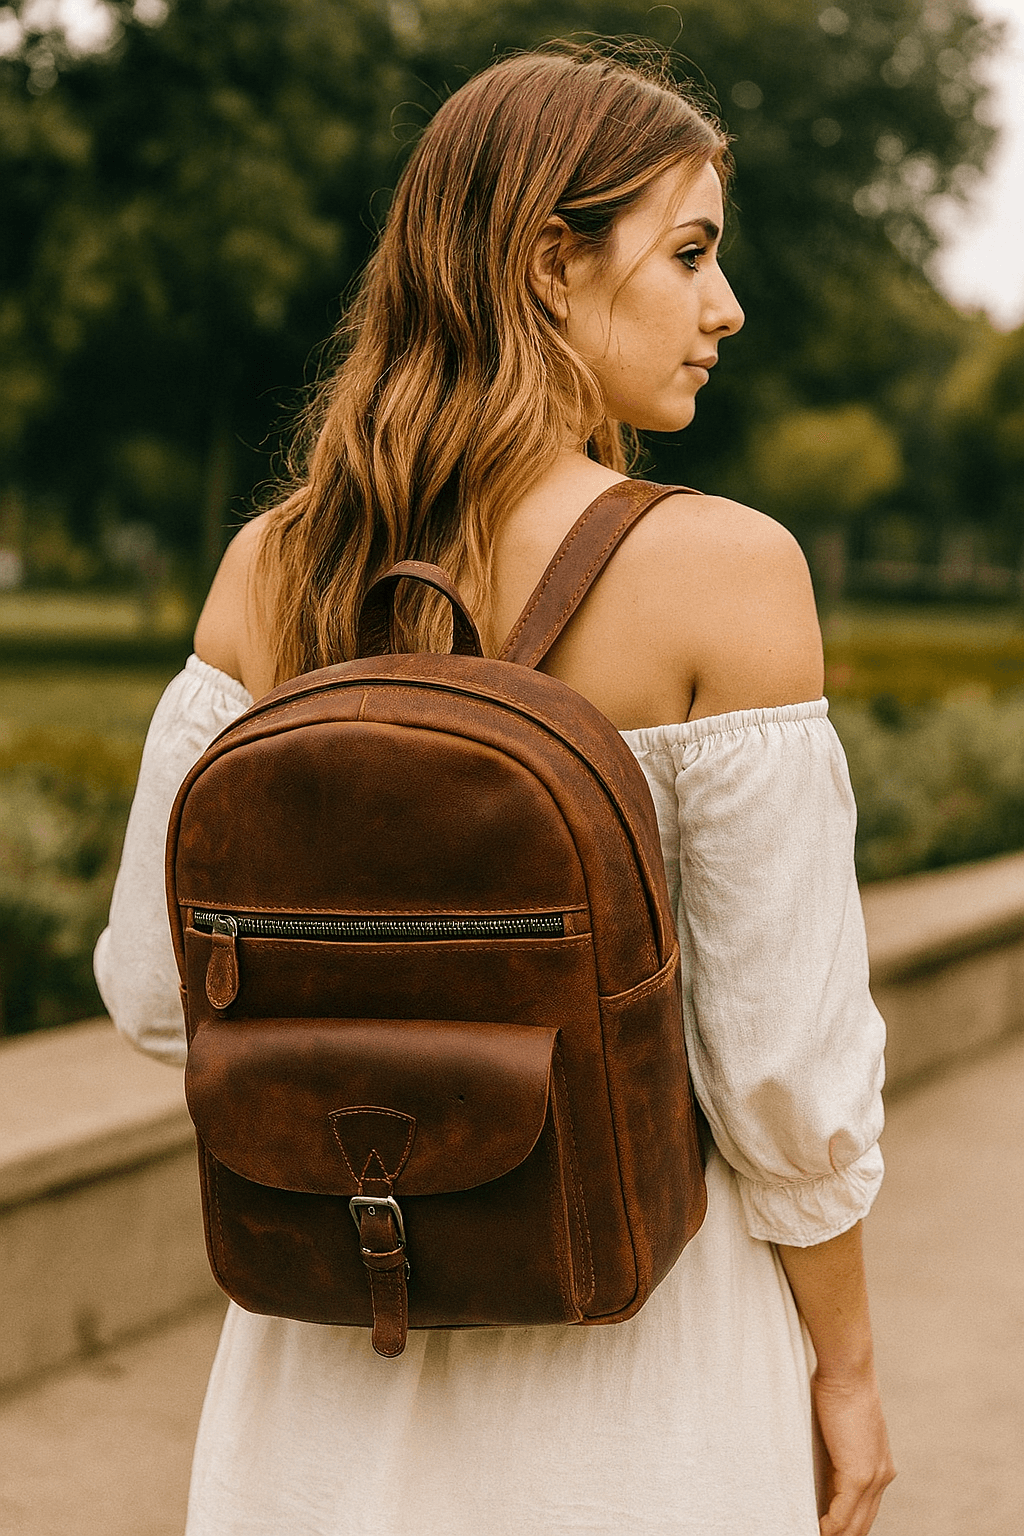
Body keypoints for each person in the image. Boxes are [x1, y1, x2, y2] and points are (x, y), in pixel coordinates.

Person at [95, 44, 895, 1536]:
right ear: (548, 262)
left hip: (320, 1388)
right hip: (635, 1367)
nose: (726, 307)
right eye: (693, 251)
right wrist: (844, 1362)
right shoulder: (725, 571)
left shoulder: (272, 570)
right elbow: (787, 1077)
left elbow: (155, 995)